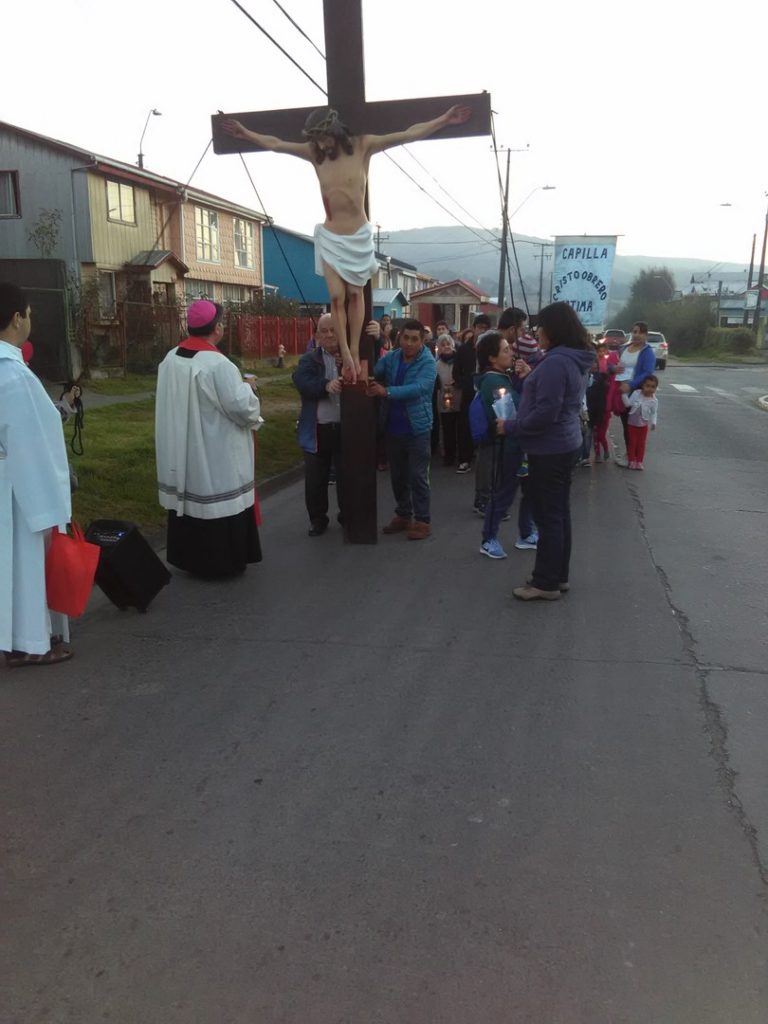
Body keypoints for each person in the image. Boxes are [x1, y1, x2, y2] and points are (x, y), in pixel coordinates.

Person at [224, 103, 470, 381]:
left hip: (358, 235)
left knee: (355, 293)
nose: (320, 143)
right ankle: (345, 350)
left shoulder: (363, 146)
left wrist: (445, 118)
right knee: (336, 297)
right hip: (330, 235)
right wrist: (245, 133)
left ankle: (353, 348)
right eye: (316, 138)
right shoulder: (315, 155)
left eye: (324, 136)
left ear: (336, 131)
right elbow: (276, 144)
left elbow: (407, 133)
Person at [155, 299, 264, 578]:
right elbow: (241, 407)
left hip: (183, 446)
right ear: (217, 328)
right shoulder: (218, 364)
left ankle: (189, 559)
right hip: (215, 450)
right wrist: (249, 389)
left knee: (191, 496)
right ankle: (221, 563)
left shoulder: (170, 357)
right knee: (217, 498)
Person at [497, 301, 594, 601]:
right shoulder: (570, 358)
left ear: (553, 329)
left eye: (540, 327)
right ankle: (557, 575)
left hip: (550, 449)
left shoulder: (556, 362)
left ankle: (546, 582)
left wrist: (511, 426)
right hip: (564, 444)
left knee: (548, 516)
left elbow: (545, 413)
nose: (536, 332)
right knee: (559, 513)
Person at [0, 283, 73, 667]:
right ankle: (30, 642)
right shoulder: (13, 374)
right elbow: (29, 441)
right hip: (17, 487)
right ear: (16, 319)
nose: (30, 319)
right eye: (28, 312)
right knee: (23, 564)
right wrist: (51, 501)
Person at [367, 319, 437, 540]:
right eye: (405, 338)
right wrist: (372, 346)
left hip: (418, 429)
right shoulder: (393, 357)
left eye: (414, 339)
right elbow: (375, 370)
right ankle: (404, 514)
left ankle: (423, 521)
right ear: (400, 337)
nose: (408, 343)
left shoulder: (428, 362)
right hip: (393, 427)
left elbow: (419, 388)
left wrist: (386, 392)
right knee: (397, 476)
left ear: (422, 341)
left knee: (417, 476)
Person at [473, 331, 536, 560]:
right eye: (505, 350)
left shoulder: (502, 377)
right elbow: (516, 409)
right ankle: (488, 538)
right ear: (492, 357)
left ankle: (526, 533)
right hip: (507, 445)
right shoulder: (493, 381)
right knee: (504, 493)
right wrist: (529, 380)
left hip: (517, 443)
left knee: (529, 489)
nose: (511, 353)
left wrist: (521, 377)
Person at [292, 313, 345, 535]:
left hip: (345, 428)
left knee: (347, 476)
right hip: (317, 429)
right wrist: (325, 385)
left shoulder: (350, 357)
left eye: (334, 329)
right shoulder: (309, 359)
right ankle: (318, 519)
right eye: (324, 331)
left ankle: (348, 515)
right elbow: (302, 382)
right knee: (315, 479)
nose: (330, 334)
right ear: (316, 335)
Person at [614, 321, 656, 465]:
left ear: (645, 335)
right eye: (634, 331)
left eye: (640, 332)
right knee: (626, 424)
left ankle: (632, 457)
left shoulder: (647, 352)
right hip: (621, 390)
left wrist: (631, 385)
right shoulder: (624, 348)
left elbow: (647, 373)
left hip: (636, 393)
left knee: (632, 426)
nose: (636, 335)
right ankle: (631, 455)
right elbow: (614, 362)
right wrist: (613, 369)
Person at [454, 314, 489, 474]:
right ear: (473, 328)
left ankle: (484, 457)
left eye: (485, 328)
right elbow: (456, 372)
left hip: (485, 392)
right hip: (468, 392)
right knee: (464, 424)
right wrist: (465, 383)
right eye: (479, 327)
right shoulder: (463, 349)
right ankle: (464, 459)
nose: (482, 330)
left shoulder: (490, 348)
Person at [622, 374, 659, 470]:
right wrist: (623, 395)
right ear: (642, 386)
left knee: (641, 443)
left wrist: (654, 422)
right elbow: (628, 404)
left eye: (653, 387)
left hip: (643, 425)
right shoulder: (636, 393)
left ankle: (639, 461)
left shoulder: (654, 400)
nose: (650, 389)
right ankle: (631, 460)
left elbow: (654, 412)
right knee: (632, 443)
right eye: (647, 386)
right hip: (632, 424)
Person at [435, 333, 460, 466]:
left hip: (459, 396)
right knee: (447, 427)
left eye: (448, 344)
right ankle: (448, 454)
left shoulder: (458, 360)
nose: (446, 347)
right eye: (443, 345)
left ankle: (459, 452)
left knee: (459, 426)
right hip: (444, 398)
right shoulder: (437, 364)